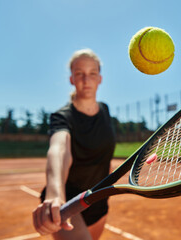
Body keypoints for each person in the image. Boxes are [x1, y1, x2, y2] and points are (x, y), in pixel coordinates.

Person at [32, 49, 116, 240]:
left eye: (92, 73)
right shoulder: (62, 117)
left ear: (100, 78)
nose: (86, 80)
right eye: (80, 74)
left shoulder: (105, 110)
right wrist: (54, 193)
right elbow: (59, 150)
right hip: (66, 202)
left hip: (98, 199)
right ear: (71, 79)